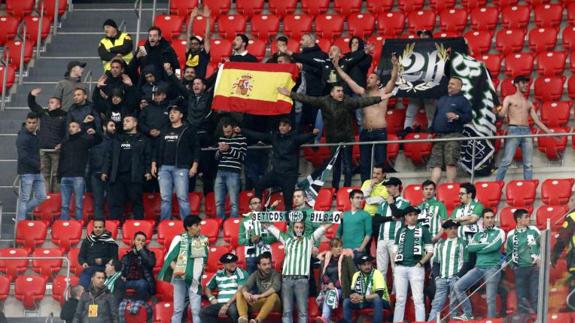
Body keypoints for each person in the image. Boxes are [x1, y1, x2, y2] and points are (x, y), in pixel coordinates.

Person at [279, 83, 389, 190]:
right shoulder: (324, 101)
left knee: (347, 166)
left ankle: (347, 189)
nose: (341, 93)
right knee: (335, 165)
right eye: (338, 91)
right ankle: (335, 189)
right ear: (332, 93)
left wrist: (379, 98)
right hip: (333, 139)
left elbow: (362, 101)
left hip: (347, 138)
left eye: (342, 91)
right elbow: (307, 99)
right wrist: (290, 94)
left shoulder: (347, 100)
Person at [334, 54, 399, 180]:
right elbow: (348, 80)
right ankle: (365, 188)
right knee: (364, 164)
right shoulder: (363, 93)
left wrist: (395, 65)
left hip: (379, 132)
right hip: (365, 132)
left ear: (378, 81)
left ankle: (380, 189)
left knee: (380, 163)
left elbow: (393, 79)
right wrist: (337, 67)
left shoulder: (383, 92)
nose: (368, 79)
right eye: (368, 77)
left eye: (371, 78)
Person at [237, 119, 317, 211]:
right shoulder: (275, 137)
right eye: (280, 125)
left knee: (288, 202)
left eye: (284, 125)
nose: (281, 127)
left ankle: (288, 223)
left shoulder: (295, 139)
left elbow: (305, 137)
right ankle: (258, 212)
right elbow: (259, 135)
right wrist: (242, 131)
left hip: (289, 176)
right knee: (259, 185)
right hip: (276, 173)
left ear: (289, 128)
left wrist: (313, 134)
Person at [266, 219, 331, 323]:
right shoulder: (286, 239)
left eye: (301, 227)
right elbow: (271, 228)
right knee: (287, 311)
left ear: (304, 229)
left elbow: (323, 228)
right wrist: (259, 217)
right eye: (297, 227)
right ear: (292, 228)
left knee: (302, 312)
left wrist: (335, 217)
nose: (299, 229)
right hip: (287, 279)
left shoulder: (309, 240)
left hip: (302, 280)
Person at [496, 75, 552, 181]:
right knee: (506, 161)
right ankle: (496, 186)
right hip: (513, 130)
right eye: (523, 83)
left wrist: (550, 132)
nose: (526, 85)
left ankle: (528, 187)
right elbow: (502, 114)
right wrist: (497, 112)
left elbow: (537, 121)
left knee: (528, 164)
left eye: (527, 83)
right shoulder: (509, 98)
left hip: (527, 131)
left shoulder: (529, 103)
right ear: (516, 84)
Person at [453, 208, 505, 320]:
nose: (490, 220)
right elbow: (470, 248)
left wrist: (480, 247)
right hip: (478, 268)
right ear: (483, 220)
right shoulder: (478, 234)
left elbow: (494, 247)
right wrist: (486, 245)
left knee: (490, 298)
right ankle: (468, 314)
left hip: (492, 267)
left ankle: (491, 321)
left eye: (492, 217)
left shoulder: (499, 232)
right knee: (458, 286)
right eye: (487, 217)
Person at [151, 105, 200, 220]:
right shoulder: (164, 130)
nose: (171, 114)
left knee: (182, 197)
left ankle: (187, 224)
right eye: (170, 113)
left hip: (181, 167)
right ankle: (165, 224)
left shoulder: (187, 130)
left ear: (181, 115)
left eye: (175, 112)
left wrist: (194, 165)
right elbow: (157, 148)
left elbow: (196, 148)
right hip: (164, 168)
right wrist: (154, 163)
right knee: (165, 198)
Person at [157, 216, 208, 323]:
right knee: (178, 308)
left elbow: (203, 261)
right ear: (188, 227)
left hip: (194, 278)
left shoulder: (203, 240)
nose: (199, 228)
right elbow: (169, 258)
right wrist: (177, 270)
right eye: (196, 225)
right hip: (180, 278)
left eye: (200, 225)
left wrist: (196, 274)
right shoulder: (179, 238)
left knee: (196, 310)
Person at [101, 115, 152, 220]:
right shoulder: (117, 138)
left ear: (135, 123)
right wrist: (105, 171)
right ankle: (116, 227)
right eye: (124, 121)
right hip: (117, 176)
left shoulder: (142, 139)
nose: (124, 123)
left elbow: (148, 156)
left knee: (136, 202)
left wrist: (148, 171)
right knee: (116, 203)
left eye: (127, 121)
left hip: (134, 176)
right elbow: (108, 156)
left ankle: (139, 225)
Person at [392, 206, 434, 322]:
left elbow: (430, 251)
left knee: (418, 299)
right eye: (410, 215)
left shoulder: (424, 230)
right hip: (401, 267)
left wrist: (420, 263)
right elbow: (394, 250)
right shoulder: (400, 230)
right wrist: (396, 264)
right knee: (400, 299)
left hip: (416, 267)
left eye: (415, 214)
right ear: (405, 217)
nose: (413, 217)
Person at [428, 77, 473, 184]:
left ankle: (450, 187)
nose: (449, 85)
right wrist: (431, 132)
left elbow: (469, 117)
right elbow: (435, 117)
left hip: (454, 135)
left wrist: (457, 116)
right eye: (449, 83)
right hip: (439, 136)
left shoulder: (463, 100)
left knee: (450, 162)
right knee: (436, 163)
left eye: (452, 84)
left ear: (459, 86)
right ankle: (432, 187)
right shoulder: (442, 99)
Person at [57, 122, 102, 220]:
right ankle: (64, 226)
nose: (71, 128)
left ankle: (78, 226)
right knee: (64, 205)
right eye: (69, 126)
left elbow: (99, 140)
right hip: (65, 176)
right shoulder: (65, 143)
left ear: (79, 129)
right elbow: (61, 159)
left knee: (78, 205)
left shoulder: (84, 141)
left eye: (73, 126)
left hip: (78, 176)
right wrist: (59, 175)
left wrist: (95, 133)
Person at [428, 219, 470, 321]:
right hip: (442, 278)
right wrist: (437, 277)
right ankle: (431, 321)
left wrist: (458, 277)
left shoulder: (462, 243)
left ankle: (452, 321)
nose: (453, 230)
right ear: (445, 230)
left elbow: (466, 262)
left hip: (455, 278)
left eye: (455, 228)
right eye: (450, 228)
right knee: (436, 304)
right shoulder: (440, 244)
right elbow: (436, 262)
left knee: (453, 305)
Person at [28, 87, 66, 193]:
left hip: (56, 151)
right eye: (49, 102)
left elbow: (67, 134)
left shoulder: (65, 116)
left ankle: (55, 199)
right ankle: (45, 199)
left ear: (58, 105)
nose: (49, 104)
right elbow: (33, 105)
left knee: (56, 175)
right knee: (44, 175)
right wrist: (32, 95)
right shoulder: (44, 113)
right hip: (43, 150)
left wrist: (61, 144)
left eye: (52, 102)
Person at [400, 30, 437, 137]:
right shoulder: (414, 51)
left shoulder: (436, 50)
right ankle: (407, 130)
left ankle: (432, 129)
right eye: (421, 36)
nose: (422, 38)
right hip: (416, 84)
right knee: (411, 109)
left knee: (430, 110)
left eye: (425, 36)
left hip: (429, 84)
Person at [373, 177, 410, 277]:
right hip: (381, 239)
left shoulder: (405, 202)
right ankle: (382, 292)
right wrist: (391, 218)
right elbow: (376, 219)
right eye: (386, 187)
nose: (387, 189)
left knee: (396, 269)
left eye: (389, 186)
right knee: (381, 270)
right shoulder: (383, 203)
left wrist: (391, 204)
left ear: (397, 186)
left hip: (395, 240)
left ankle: (396, 292)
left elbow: (398, 215)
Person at [506, 208, 541, 314]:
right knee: (521, 296)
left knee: (535, 294)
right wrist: (514, 267)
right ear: (519, 220)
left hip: (534, 267)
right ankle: (523, 318)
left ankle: (537, 318)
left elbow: (543, 244)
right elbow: (508, 253)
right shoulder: (511, 234)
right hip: (520, 269)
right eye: (526, 217)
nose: (529, 219)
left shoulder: (534, 230)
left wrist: (540, 259)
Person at [16, 113, 47, 221]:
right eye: (29, 122)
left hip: (36, 171)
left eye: (34, 123)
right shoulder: (22, 137)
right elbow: (23, 156)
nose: (31, 125)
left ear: (37, 123)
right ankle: (20, 222)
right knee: (24, 198)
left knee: (42, 196)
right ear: (26, 122)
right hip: (27, 172)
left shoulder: (36, 134)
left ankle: (22, 214)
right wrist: (38, 164)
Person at [316, 238, 355, 323]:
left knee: (331, 293)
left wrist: (335, 285)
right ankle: (328, 320)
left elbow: (353, 275)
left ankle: (325, 318)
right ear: (331, 248)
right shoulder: (327, 259)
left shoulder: (346, 258)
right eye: (336, 247)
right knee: (328, 293)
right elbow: (323, 275)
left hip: (342, 289)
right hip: (328, 287)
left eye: (340, 246)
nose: (339, 248)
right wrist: (329, 283)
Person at [215, 117, 247, 219]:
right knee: (219, 201)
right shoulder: (222, 138)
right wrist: (220, 151)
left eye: (228, 131)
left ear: (234, 128)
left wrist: (229, 149)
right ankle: (220, 223)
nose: (226, 134)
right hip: (220, 172)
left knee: (234, 202)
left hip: (234, 173)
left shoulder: (242, 139)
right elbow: (216, 157)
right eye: (225, 132)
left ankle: (233, 224)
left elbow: (243, 157)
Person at [236, 252, 282, 323]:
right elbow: (246, 286)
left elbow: (276, 287)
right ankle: (244, 318)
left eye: (269, 264)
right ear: (259, 266)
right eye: (264, 264)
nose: (268, 266)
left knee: (274, 295)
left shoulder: (276, 274)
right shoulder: (255, 274)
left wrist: (260, 296)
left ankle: (257, 320)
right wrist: (245, 293)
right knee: (240, 293)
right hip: (262, 301)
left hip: (275, 304)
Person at [201, 253, 248, 322]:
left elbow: (239, 291)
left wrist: (227, 305)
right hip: (220, 303)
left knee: (233, 311)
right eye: (229, 262)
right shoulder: (218, 274)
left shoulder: (241, 273)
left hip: (235, 303)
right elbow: (207, 288)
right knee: (203, 312)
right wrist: (212, 298)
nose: (232, 264)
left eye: (233, 261)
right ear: (224, 264)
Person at [342, 255, 390, 323]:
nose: (367, 267)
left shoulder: (377, 273)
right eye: (364, 265)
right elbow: (352, 292)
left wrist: (362, 297)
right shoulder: (356, 275)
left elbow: (379, 294)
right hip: (364, 301)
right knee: (346, 301)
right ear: (359, 266)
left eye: (368, 264)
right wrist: (353, 297)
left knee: (377, 300)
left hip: (382, 301)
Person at [239, 196, 277, 274]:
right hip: (251, 256)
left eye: (259, 203)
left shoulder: (266, 218)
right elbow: (240, 240)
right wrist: (250, 240)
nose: (258, 204)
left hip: (265, 255)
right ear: (250, 206)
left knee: (267, 281)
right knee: (252, 282)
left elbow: (274, 237)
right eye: (255, 203)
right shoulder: (244, 220)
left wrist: (262, 239)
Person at [78, 219, 119, 289]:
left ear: (104, 228)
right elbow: (81, 256)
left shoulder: (110, 242)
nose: (97, 229)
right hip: (90, 268)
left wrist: (103, 260)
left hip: (105, 269)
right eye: (96, 227)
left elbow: (115, 259)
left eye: (100, 227)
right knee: (84, 283)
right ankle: (85, 297)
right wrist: (83, 263)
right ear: (93, 227)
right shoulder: (87, 240)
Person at [89, 119, 115, 220]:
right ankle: (98, 224)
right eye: (111, 126)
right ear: (104, 127)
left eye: (114, 126)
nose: (114, 128)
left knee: (112, 200)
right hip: (96, 173)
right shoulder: (96, 140)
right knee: (98, 201)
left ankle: (112, 224)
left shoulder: (116, 141)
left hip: (111, 175)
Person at [552, 194, 575, 307]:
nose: (568, 204)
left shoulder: (572, 216)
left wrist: (555, 254)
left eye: (570, 201)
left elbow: (563, 238)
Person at [121, 231, 156, 300]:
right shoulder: (127, 255)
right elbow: (122, 270)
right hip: (128, 281)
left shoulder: (150, 254)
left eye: (143, 241)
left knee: (142, 284)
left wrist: (141, 251)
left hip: (142, 281)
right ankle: (120, 306)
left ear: (145, 243)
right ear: (134, 241)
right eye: (138, 240)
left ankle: (141, 303)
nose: (140, 242)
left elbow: (151, 263)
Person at [337, 189, 372, 256]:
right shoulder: (344, 214)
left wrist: (361, 249)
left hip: (357, 250)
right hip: (344, 250)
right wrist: (339, 248)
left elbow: (368, 234)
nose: (360, 200)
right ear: (351, 199)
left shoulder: (366, 215)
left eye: (361, 198)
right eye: (357, 198)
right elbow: (338, 233)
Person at [185, 7, 211, 78]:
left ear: (201, 46)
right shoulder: (189, 52)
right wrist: (192, 18)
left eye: (196, 44)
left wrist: (208, 18)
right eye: (192, 44)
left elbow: (207, 37)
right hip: (187, 82)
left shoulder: (204, 55)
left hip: (199, 83)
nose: (193, 45)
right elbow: (188, 34)